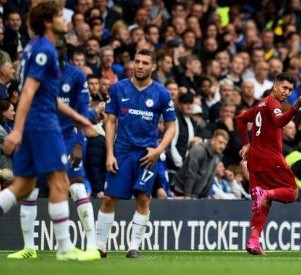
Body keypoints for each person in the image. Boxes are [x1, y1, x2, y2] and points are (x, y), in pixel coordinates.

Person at [0, 0, 95, 261]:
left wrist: (78, 117)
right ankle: (64, 248)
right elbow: (28, 92)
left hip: (36, 122)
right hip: (42, 125)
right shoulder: (44, 49)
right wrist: (17, 130)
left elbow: (47, 94)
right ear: (47, 22)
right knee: (61, 182)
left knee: (22, 187)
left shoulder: (35, 48)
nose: (65, 19)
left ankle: (63, 248)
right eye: (59, 15)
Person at [96, 48, 176, 259]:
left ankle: (133, 247)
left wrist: (159, 150)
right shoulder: (118, 88)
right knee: (109, 198)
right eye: (137, 61)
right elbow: (110, 121)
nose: (139, 66)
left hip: (147, 155)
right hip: (121, 152)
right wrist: (110, 153)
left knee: (143, 198)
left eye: (144, 63)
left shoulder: (161, 93)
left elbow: (171, 126)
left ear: (153, 67)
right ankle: (99, 246)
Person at [235, 72, 301, 256]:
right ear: (275, 86)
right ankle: (265, 192)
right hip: (271, 159)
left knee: (264, 204)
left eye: (291, 90)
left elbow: (240, 120)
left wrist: (247, 143)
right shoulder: (273, 103)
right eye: (284, 87)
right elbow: (278, 121)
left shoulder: (261, 103)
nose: (287, 92)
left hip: (255, 160)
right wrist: (296, 107)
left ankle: (253, 241)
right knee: (292, 193)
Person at [171, 129, 229, 199]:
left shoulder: (217, 156)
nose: (223, 146)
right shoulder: (198, 150)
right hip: (181, 192)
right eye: (220, 142)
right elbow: (191, 173)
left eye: (225, 144)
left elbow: (210, 178)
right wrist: (187, 195)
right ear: (213, 140)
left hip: (196, 195)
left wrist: (204, 196)